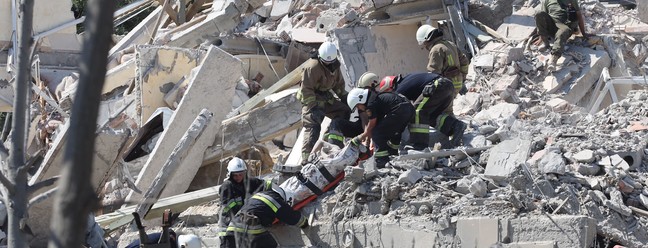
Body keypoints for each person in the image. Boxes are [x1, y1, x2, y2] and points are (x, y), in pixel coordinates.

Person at [377, 73, 467, 149]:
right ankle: (455, 126)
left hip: (437, 86)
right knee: (430, 116)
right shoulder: (407, 81)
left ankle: (420, 144)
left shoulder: (400, 87)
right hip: (446, 86)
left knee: (416, 112)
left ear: (391, 86)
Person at [297, 41, 350, 164]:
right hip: (310, 99)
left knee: (344, 111)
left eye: (330, 62)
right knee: (313, 125)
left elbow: (339, 86)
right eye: (326, 62)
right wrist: (313, 108)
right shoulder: (311, 67)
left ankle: (330, 142)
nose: (328, 64)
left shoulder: (335, 66)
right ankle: (306, 160)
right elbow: (306, 89)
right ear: (320, 57)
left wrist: (347, 100)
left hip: (325, 98)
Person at [222, 184, 308, 248]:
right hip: (249, 227)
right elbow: (291, 217)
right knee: (271, 245)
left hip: (232, 228)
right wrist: (304, 223)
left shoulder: (259, 196)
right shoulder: (276, 200)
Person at [346, 88, 414, 168]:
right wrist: (368, 139)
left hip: (399, 110)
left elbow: (372, 123)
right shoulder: (375, 97)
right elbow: (377, 122)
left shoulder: (370, 105)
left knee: (377, 133)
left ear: (361, 99)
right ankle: (393, 153)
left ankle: (381, 160)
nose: (359, 109)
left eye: (357, 106)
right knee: (395, 133)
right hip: (409, 109)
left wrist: (361, 137)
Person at [218, 157, 272, 248]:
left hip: (243, 226)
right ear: (230, 174)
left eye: (241, 174)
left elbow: (266, 185)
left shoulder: (249, 182)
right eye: (235, 175)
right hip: (228, 227)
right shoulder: (227, 186)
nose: (238, 177)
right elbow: (228, 208)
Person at [415, 24, 470, 114]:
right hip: (457, 83)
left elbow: (433, 73)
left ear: (427, 39)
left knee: (442, 111)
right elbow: (464, 61)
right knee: (447, 108)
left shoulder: (436, 49)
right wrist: (462, 79)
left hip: (446, 85)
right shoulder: (450, 44)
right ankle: (453, 125)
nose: (424, 46)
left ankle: (454, 126)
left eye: (423, 43)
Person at [534, 0, 588, 71]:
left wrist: (583, 33)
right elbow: (542, 18)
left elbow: (579, 16)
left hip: (564, 25)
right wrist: (541, 38)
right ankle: (545, 43)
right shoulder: (546, 1)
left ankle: (553, 60)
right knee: (539, 13)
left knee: (563, 32)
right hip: (551, 24)